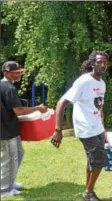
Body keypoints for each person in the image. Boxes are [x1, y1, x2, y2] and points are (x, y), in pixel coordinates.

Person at [51, 51, 109, 201]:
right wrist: (58, 130)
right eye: (99, 62)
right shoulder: (83, 81)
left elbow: (99, 107)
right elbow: (61, 103)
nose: (103, 65)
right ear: (92, 63)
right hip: (85, 128)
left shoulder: (102, 83)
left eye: (105, 62)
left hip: (97, 128)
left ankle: (88, 190)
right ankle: (88, 193)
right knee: (99, 160)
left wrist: (103, 130)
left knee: (93, 160)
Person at [1, 61, 47, 198]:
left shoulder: (5, 86)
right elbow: (19, 110)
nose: (18, 74)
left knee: (18, 154)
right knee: (8, 159)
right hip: (5, 131)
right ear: (6, 73)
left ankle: (9, 182)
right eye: (15, 72)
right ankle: (4, 190)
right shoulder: (8, 88)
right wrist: (38, 108)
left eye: (19, 71)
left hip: (9, 129)